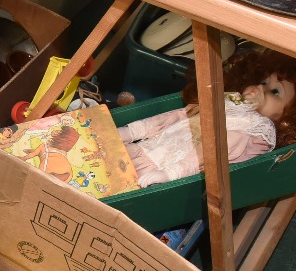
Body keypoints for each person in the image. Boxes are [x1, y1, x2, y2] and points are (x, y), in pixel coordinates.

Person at [118, 47, 296, 187]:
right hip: (151, 148)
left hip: (170, 169)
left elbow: (212, 151)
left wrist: (170, 173)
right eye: (264, 82)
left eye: (275, 91)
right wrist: (132, 131)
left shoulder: (257, 129)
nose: (260, 88)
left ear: (286, 119)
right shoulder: (231, 102)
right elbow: (180, 116)